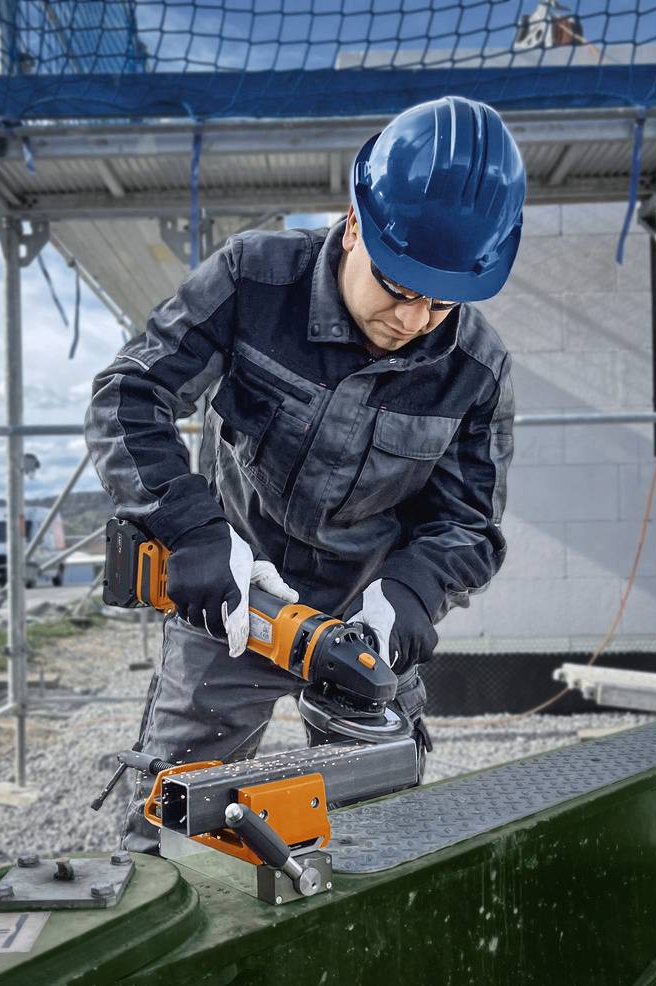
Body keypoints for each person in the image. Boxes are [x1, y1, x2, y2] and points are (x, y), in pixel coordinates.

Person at [85, 96, 526, 852]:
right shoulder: (254, 280)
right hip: (233, 605)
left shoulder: (476, 372)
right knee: (172, 824)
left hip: (365, 631)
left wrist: (411, 592)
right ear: (354, 226)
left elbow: (468, 525)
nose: (416, 319)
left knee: (378, 839)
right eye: (401, 287)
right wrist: (193, 528)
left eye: (442, 300)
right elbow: (129, 394)